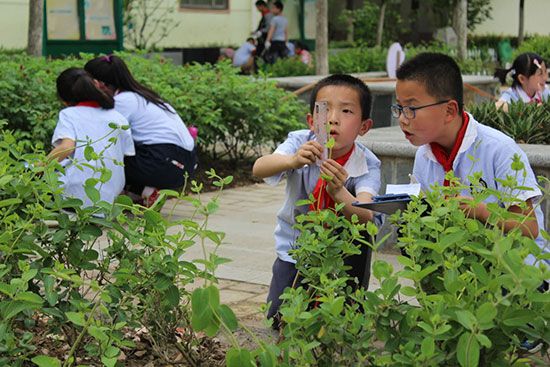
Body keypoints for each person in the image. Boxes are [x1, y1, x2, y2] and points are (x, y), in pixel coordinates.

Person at [393, 52, 546, 267]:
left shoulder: (499, 150)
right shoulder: (424, 154)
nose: (402, 119)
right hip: (464, 269)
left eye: (411, 109)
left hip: (519, 274)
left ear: (449, 110)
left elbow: (529, 226)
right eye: (399, 108)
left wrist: (479, 210)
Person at [253, 74, 382, 326]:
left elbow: (368, 216)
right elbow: (259, 167)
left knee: (343, 320)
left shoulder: (368, 163)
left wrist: (340, 193)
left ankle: (346, 317)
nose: (333, 118)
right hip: (295, 248)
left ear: (364, 127)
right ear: (312, 121)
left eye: (346, 111)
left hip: (344, 253)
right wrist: (292, 161)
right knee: (280, 319)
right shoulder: (301, 142)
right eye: (324, 110)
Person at [84, 55, 196, 207]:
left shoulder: (124, 101)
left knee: (104, 154)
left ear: (100, 84)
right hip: (183, 162)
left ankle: (144, 192)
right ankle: (140, 194)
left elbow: (103, 135)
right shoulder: (141, 95)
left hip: (165, 163)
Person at [48, 68, 134, 207]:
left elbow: (66, 147)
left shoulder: (69, 114)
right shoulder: (119, 118)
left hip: (73, 195)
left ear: (64, 99)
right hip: (108, 198)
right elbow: (125, 155)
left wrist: (37, 168)